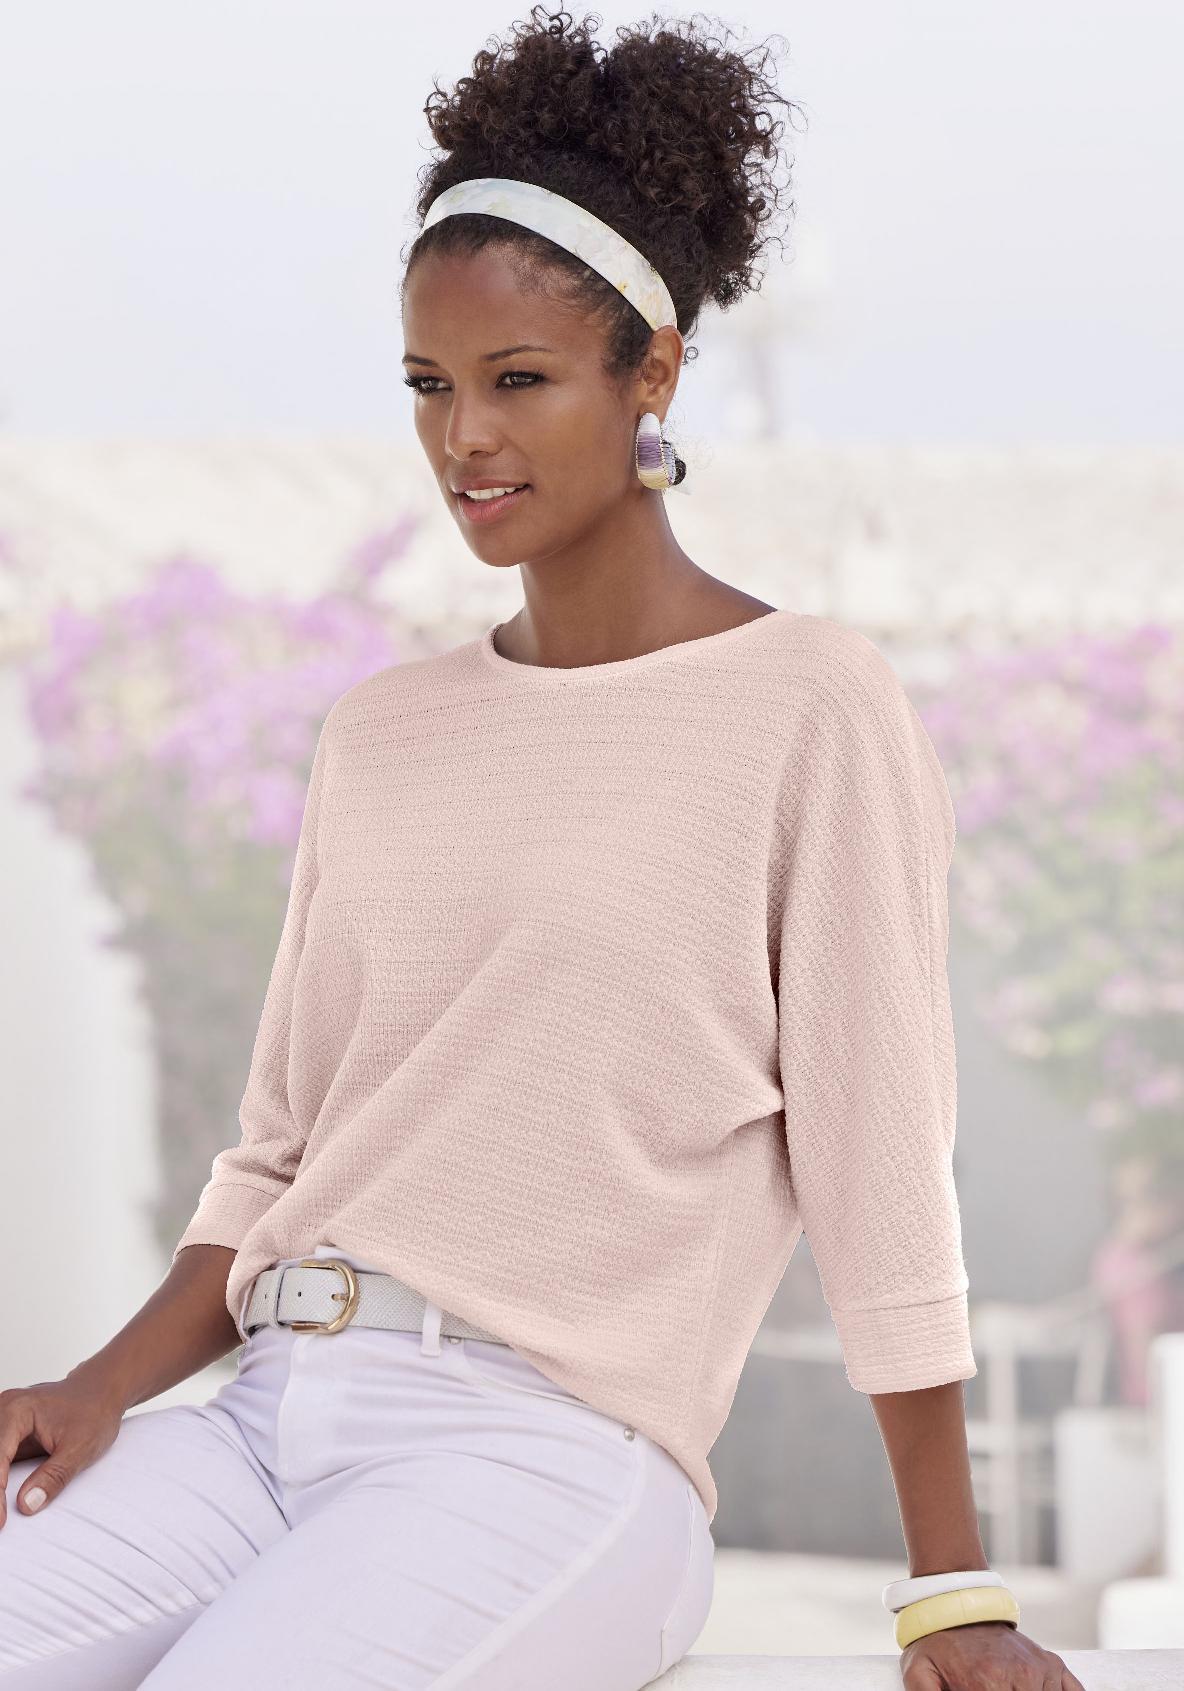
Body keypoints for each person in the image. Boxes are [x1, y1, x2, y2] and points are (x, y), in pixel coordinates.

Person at [0, 8, 1083, 1689]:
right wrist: (101, 1387)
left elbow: (879, 1167)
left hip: (548, 1458)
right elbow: (278, 1154)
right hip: (267, 1416)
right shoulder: (384, 731)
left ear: (653, 373)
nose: (465, 441)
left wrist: (953, 1592)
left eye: (519, 381)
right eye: (429, 387)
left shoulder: (809, 705)